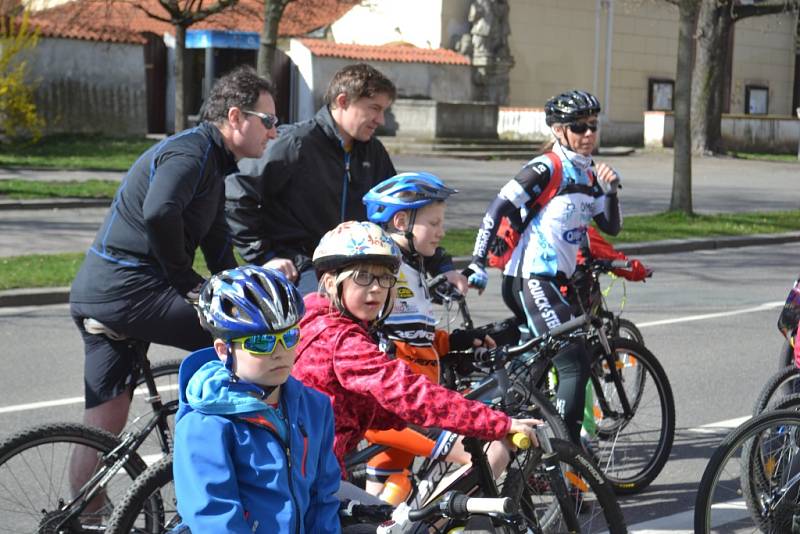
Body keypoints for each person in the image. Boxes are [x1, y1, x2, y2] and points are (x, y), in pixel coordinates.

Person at [69, 65, 277, 499]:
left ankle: (83, 516)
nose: (274, 132)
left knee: (104, 420)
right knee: (251, 347)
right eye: (269, 121)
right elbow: (159, 212)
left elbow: (219, 243)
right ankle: (223, 474)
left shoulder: (213, 166)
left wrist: (244, 286)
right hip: (127, 290)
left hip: (104, 293)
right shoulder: (192, 153)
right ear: (236, 117)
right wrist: (184, 277)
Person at [292, 221, 540, 485]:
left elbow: (365, 405)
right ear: (331, 282)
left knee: (388, 516)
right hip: (313, 484)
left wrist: (447, 415)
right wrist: (493, 422)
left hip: (313, 470)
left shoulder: (315, 320)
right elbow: (406, 391)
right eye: (362, 276)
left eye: (385, 277)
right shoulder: (338, 339)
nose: (376, 287)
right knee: (397, 523)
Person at [226, 63, 467, 296]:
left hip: (360, 267)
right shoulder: (295, 143)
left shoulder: (374, 152)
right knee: (328, 321)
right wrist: (265, 257)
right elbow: (236, 195)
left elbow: (403, 216)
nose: (381, 120)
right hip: (305, 268)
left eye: (384, 110)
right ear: (343, 101)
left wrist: (442, 268)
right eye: (374, 108)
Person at [464, 90, 622, 446]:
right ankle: (567, 449)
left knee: (541, 361)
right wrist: (477, 261)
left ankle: (504, 420)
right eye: (578, 127)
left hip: (556, 283)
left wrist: (610, 191)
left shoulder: (590, 173)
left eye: (593, 126)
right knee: (574, 361)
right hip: (530, 279)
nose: (588, 134)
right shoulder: (546, 167)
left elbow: (609, 227)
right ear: (558, 130)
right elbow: (497, 208)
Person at [173, 266, 340, 533]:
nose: (280, 352)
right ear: (223, 351)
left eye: (289, 336)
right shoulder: (204, 426)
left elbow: (323, 497)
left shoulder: (314, 407)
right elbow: (213, 517)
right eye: (260, 342)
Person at [360, 172, 496, 496]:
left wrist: (454, 341)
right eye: (433, 223)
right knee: (488, 454)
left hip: (411, 397)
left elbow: (409, 337)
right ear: (401, 220)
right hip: (396, 405)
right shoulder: (384, 272)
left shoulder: (412, 266)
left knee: (384, 490)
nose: (441, 232)